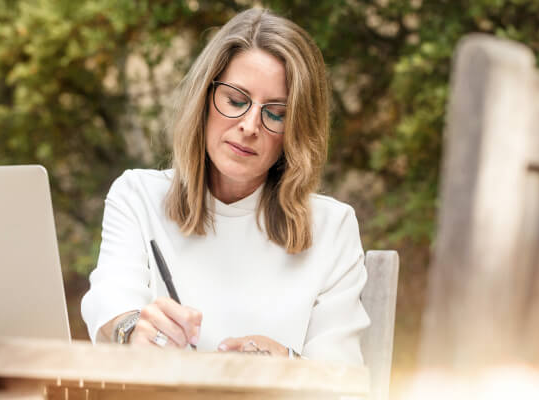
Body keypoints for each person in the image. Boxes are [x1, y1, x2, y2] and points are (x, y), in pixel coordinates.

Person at [81, 8, 370, 365]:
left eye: (276, 113)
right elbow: (112, 304)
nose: (250, 126)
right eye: (235, 100)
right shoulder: (138, 197)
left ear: (296, 130)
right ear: (204, 98)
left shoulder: (332, 227)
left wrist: (290, 365)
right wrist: (132, 329)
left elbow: (343, 379)